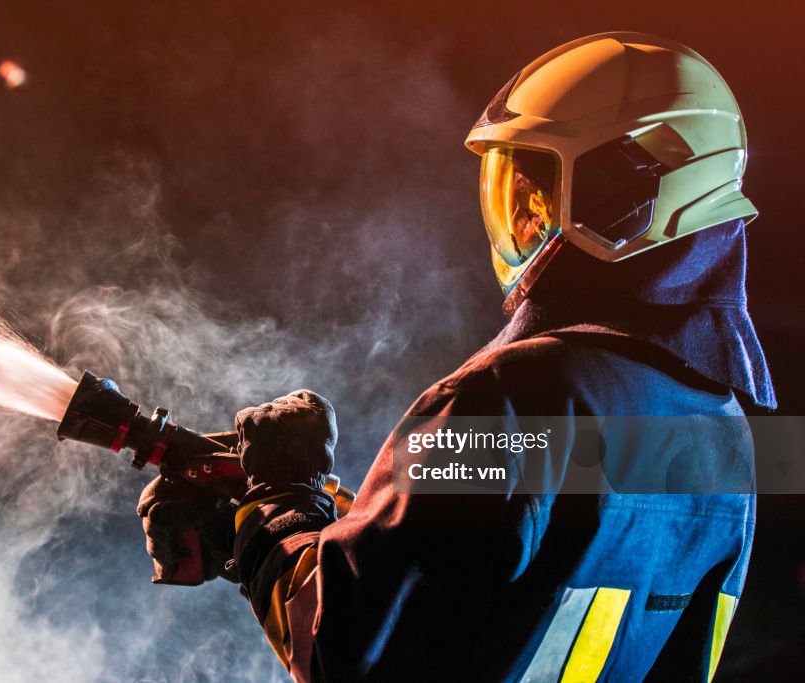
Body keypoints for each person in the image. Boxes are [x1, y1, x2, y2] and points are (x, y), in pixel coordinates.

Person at [136, 32, 774, 681]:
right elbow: (487, 579)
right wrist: (340, 515)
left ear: (629, 189)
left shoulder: (510, 401)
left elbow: (346, 646)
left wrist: (273, 510)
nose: (522, 223)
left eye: (537, 196)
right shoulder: (725, 438)